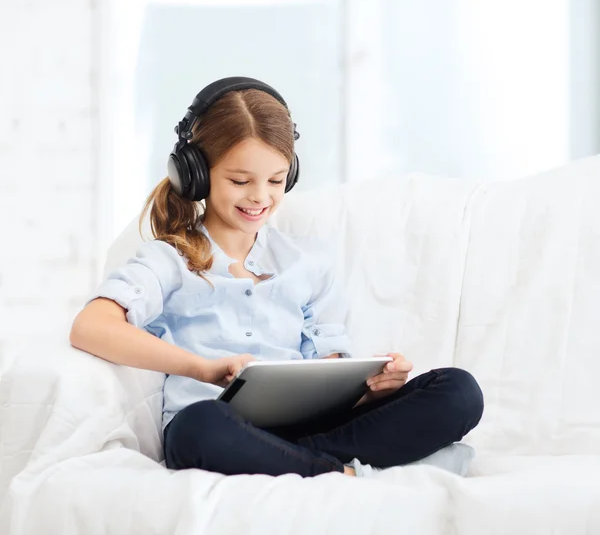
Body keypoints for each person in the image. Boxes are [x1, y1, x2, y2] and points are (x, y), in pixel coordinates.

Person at [70, 76, 484, 478]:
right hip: (218, 424)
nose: (260, 197)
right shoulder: (169, 259)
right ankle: (343, 470)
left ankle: (302, 463)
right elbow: (91, 326)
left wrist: (375, 388)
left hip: (312, 426)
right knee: (199, 428)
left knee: (458, 392)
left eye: (275, 180)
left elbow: (329, 367)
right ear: (195, 173)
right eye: (240, 181)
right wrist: (204, 369)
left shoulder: (308, 262)